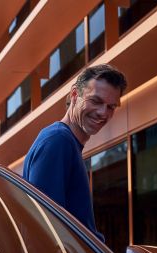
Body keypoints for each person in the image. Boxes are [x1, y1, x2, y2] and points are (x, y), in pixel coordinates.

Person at [23, 64, 127, 242]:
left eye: (111, 107)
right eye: (95, 101)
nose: (103, 113)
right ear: (74, 95)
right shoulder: (58, 141)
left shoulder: (67, 143)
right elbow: (47, 229)